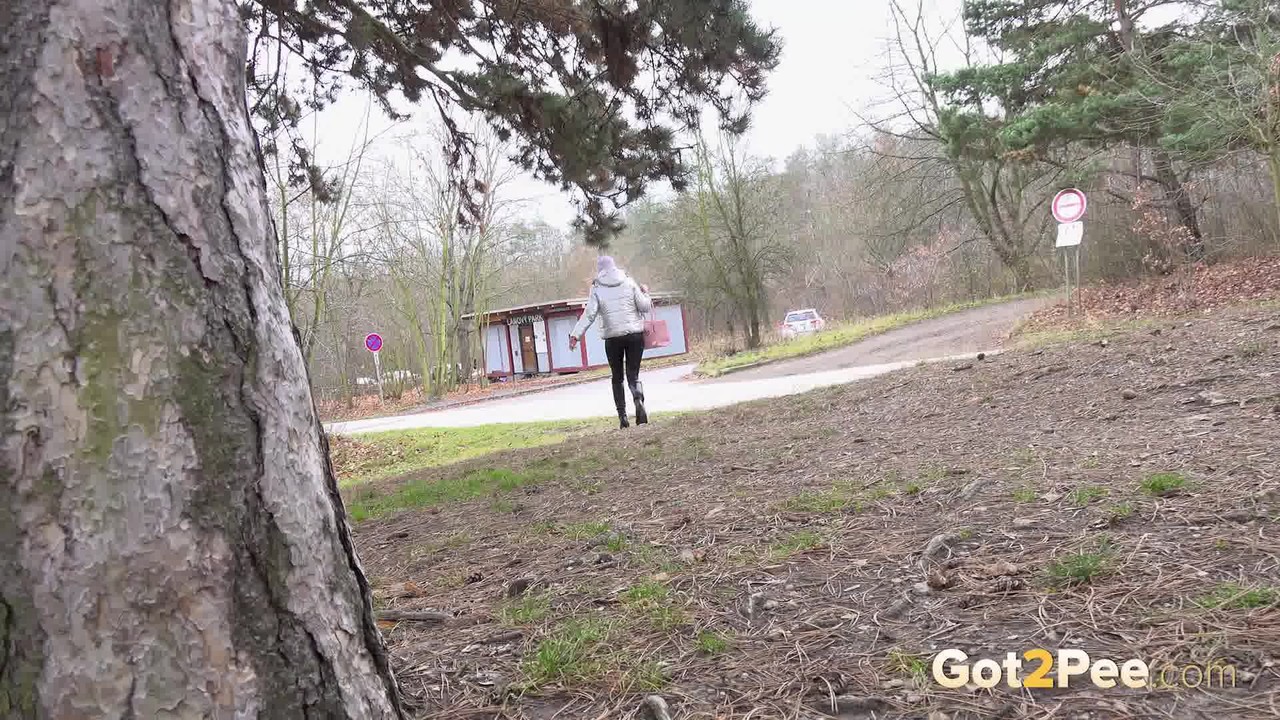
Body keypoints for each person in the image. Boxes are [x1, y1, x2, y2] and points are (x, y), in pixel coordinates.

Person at [569, 255, 653, 428]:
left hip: (613, 338)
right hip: (635, 336)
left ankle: (623, 417)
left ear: (600, 269)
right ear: (614, 266)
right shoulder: (629, 282)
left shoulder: (597, 288)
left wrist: (575, 335)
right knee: (633, 375)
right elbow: (644, 307)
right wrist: (646, 292)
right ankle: (638, 399)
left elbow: (589, 314)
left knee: (617, 377)